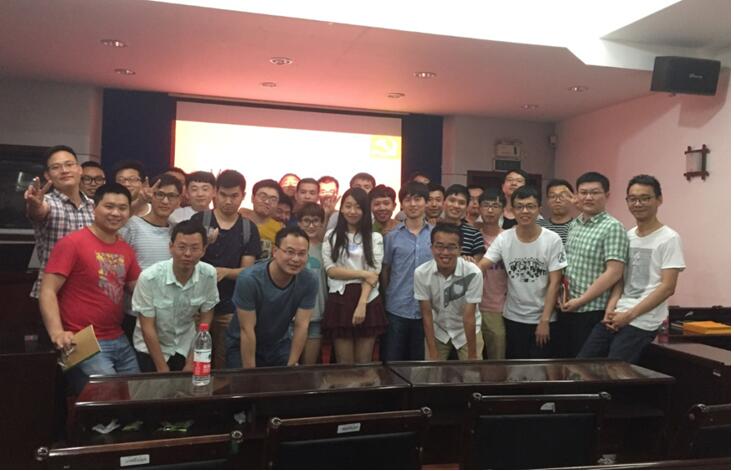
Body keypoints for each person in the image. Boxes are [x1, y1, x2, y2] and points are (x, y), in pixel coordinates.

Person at [39, 183, 141, 393]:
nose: (116, 213)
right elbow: (48, 290)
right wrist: (57, 333)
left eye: (122, 208)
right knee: (107, 399)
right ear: (94, 208)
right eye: (109, 206)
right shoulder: (72, 243)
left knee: (137, 395)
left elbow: (139, 289)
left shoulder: (125, 249)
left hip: (118, 336)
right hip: (82, 339)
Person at [578, 175, 685, 363]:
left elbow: (667, 287)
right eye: (632, 199)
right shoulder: (628, 236)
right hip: (617, 315)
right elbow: (620, 280)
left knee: (615, 370)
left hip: (644, 321)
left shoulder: (669, 238)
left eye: (645, 198)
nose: (638, 204)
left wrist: (629, 315)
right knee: (582, 364)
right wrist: (610, 310)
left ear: (659, 199)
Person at [478, 186, 566, 359]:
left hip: (543, 318)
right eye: (519, 207)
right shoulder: (504, 238)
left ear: (539, 209)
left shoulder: (552, 239)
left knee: (540, 369)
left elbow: (555, 282)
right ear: (512, 210)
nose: (525, 211)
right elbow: (482, 265)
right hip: (513, 317)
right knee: (514, 368)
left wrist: (545, 320)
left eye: (530, 206)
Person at [191, 170, 261, 368]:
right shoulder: (199, 221)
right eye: (223, 195)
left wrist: (225, 272)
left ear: (243, 196)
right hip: (196, 305)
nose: (228, 201)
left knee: (224, 362)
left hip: (230, 307)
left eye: (234, 196)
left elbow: (248, 271)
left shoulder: (248, 228)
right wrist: (204, 245)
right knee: (194, 359)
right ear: (215, 192)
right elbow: (184, 260)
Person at [132, 220, 219, 372]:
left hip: (185, 346)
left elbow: (206, 318)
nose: (187, 254)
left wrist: (193, 359)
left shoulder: (209, 274)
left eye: (194, 248)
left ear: (204, 250)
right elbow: (147, 327)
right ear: (171, 247)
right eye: (182, 247)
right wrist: (162, 369)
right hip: (151, 349)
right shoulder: (149, 278)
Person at [226, 226, 317, 368]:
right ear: (275, 251)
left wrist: (291, 365)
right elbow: (247, 330)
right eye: (290, 252)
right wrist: (249, 374)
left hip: (279, 345)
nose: (296, 259)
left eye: (302, 254)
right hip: (242, 343)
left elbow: (302, 325)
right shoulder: (249, 279)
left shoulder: (309, 280)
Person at [561, 172, 628, 357]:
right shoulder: (575, 223)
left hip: (593, 310)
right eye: (583, 192)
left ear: (607, 195)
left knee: (585, 367)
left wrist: (581, 301)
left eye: (595, 192)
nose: (588, 197)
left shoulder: (612, 227)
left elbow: (614, 272)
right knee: (567, 362)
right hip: (569, 307)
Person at [322, 187, 386, 364]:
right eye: (348, 206)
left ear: (365, 210)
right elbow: (331, 270)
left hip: (368, 298)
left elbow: (374, 274)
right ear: (341, 208)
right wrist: (362, 273)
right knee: (345, 364)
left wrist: (362, 304)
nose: (352, 211)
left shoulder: (375, 238)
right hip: (340, 299)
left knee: (364, 363)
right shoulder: (331, 236)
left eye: (358, 207)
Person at [25, 145, 95, 300]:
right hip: (53, 295)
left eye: (69, 164)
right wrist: (34, 205)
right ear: (47, 175)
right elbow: (39, 212)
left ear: (79, 169)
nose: (64, 170)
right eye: (56, 167)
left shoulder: (94, 206)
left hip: (88, 293)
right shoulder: (47, 202)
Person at [414, 223, 483, 361]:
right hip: (438, 330)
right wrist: (432, 353)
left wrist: (472, 356)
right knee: (432, 371)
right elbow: (426, 314)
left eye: (451, 247)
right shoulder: (421, 273)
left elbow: (469, 317)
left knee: (473, 372)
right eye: (439, 246)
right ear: (431, 248)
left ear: (460, 249)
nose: (445, 253)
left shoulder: (473, 273)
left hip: (466, 332)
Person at [381, 182, 433, 361]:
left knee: (420, 363)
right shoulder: (391, 236)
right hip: (397, 308)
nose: (413, 204)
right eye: (408, 200)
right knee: (392, 361)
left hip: (428, 309)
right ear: (402, 204)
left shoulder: (436, 235)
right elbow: (386, 270)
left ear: (426, 202)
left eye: (418, 199)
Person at [295, 203, 329, 365]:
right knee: (290, 364)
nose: (311, 225)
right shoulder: (291, 249)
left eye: (315, 221)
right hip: (291, 316)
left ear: (322, 223)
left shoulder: (326, 249)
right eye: (306, 220)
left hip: (317, 313)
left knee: (310, 365)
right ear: (299, 223)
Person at [477, 188, 508, 359]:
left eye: (495, 206)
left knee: (497, 359)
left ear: (503, 209)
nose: (490, 210)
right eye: (486, 205)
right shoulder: (472, 236)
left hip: (498, 307)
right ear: (479, 208)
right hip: (471, 307)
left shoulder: (509, 238)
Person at [239, 179, 283, 259]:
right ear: (252, 198)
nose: (267, 202)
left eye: (273, 199)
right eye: (263, 196)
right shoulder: (238, 220)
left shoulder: (280, 230)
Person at [442, 184, 485, 261]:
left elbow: (477, 266)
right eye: (452, 200)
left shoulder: (474, 234)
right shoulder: (432, 229)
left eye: (461, 203)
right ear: (443, 202)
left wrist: (468, 262)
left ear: (466, 207)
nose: (456, 206)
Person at [538, 179, 576, 245]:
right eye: (552, 196)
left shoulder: (577, 227)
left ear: (571, 199)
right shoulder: (538, 226)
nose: (557, 200)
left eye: (562, 196)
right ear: (547, 200)